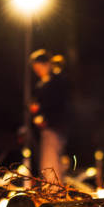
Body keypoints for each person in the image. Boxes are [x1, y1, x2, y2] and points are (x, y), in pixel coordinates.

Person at [30, 49, 69, 183]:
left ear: (47, 64)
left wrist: (44, 116)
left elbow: (58, 104)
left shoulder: (57, 81)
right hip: (46, 129)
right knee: (47, 163)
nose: (37, 71)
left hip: (55, 128)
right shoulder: (42, 84)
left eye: (38, 67)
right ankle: (52, 192)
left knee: (51, 164)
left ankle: (55, 194)